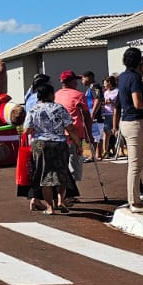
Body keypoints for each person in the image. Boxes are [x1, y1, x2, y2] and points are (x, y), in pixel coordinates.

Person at [23, 83, 78, 214]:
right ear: (50, 94)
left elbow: (27, 130)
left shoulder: (33, 109)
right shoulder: (60, 108)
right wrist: (78, 144)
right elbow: (70, 128)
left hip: (41, 144)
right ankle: (61, 200)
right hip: (59, 143)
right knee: (62, 173)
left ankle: (49, 207)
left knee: (44, 175)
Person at [115, 48, 143, 212]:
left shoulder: (123, 77)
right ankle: (134, 201)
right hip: (136, 123)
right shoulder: (134, 78)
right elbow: (139, 103)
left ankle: (135, 199)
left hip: (128, 122)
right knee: (135, 166)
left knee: (134, 164)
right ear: (139, 61)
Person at [53, 71, 88, 202]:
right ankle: (69, 195)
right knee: (74, 165)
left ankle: (63, 194)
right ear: (70, 81)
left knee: (62, 165)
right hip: (74, 135)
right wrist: (88, 133)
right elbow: (86, 116)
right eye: (75, 80)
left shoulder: (55, 95)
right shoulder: (79, 95)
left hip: (58, 136)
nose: (77, 83)